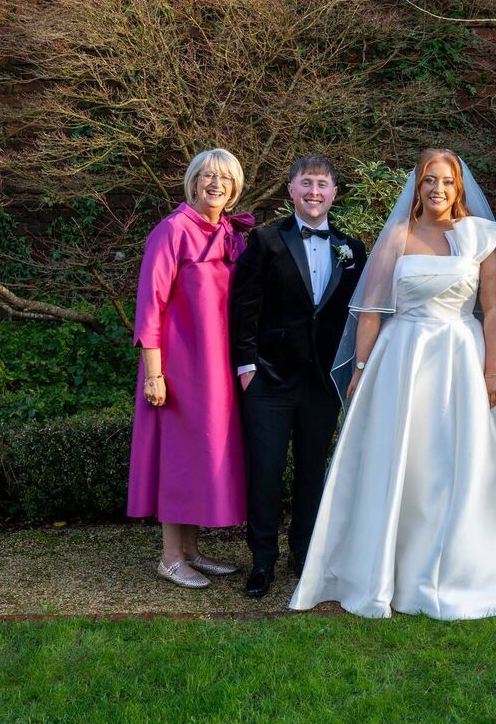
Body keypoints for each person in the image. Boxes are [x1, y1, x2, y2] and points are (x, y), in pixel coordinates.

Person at [290, 148, 496, 620]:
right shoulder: (398, 234)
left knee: (462, 461)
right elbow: (371, 310)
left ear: (459, 187)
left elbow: (493, 311)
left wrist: (494, 369)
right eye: (430, 180)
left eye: (448, 182)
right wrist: (361, 368)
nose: (438, 189)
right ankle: (388, 567)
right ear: (418, 185)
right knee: (402, 463)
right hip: (402, 359)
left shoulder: (481, 237)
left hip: (460, 356)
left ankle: (468, 569)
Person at [232, 156, 367, 598]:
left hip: (322, 382)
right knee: (266, 471)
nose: (314, 191)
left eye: (322, 184)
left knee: (313, 471)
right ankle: (262, 561)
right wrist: (247, 367)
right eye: (305, 183)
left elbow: (360, 314)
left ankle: (304, 552)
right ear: (291, 190)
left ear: (333, 193)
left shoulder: (353, 249)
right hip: (268, 379)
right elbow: (244, 306)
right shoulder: (266, 240)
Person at [128, 148, 254, 588]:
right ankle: (169, 557)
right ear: (194, 181)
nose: (216, 184)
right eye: (208, 176)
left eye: (225, 178)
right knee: (180, 458)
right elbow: (151, 306)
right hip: (179, 368)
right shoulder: (172, 230)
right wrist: (154, 374)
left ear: (235, 187)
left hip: (217, 368)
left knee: (204, 454)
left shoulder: (229, 235)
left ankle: (192, 552)